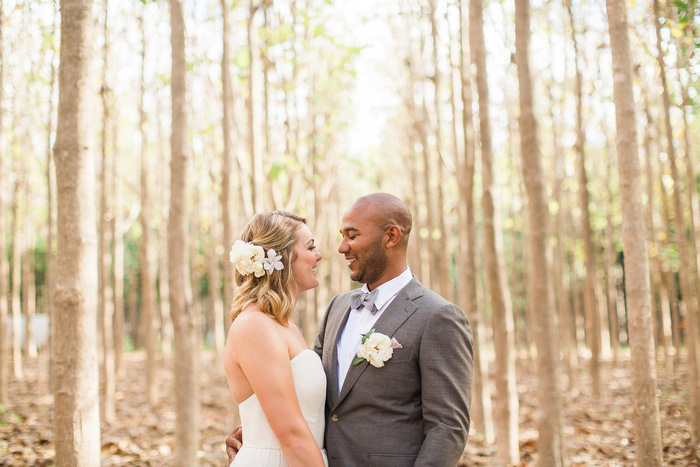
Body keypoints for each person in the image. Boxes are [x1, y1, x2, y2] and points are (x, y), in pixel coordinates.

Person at [227, 193, 473, 466]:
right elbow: (308, 395)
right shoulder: (338, 308)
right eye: (342, 236)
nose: (341, 248)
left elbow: (448, 427)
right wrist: (254, 435)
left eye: (352, 236)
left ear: (391, 237)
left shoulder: (438, 317)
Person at [223, 211, 327, 467]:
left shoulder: (284, 325)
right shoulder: (254, 326)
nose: (319, 255)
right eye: (310, 247)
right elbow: (290, 435)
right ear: (281, 257)